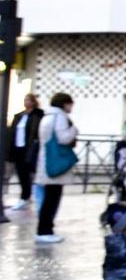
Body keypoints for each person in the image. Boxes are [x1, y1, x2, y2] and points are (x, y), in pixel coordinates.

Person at [34, 93, 78, 244]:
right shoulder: (60, 117)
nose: (72, 107)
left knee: (48, 197)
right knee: (52, 198)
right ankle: (45, 230)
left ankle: (45, 229)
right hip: (55, 162)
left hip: (46, 160)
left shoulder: (47, 116)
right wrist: (74, 130)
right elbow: (63, 138)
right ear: (65, 103)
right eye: (70, 104)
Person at [7, 94, 43, 209]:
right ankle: (25, 197)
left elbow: (38, 132)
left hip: (30, 150)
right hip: (18, 149)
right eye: (25, 100)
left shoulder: (38, 115)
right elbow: (13, 133)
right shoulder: (19, 116)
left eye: (28, 100)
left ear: (33, 102)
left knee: (31, 174)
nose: (26, 102)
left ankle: (28, 197)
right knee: (22, 174)